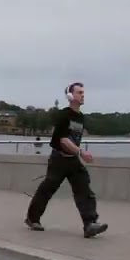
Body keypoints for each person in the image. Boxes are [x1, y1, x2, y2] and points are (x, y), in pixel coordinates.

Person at [24, 83, 108, 238]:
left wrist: (77, 153)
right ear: (70, 96)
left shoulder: (80, 117)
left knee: (84, 189)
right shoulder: (64, 115)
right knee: (47, 189)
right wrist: (81, 152)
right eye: (79, 92)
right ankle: (32, 219)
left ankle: (90, 224)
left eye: (83, 92)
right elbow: (63, 140)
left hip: (73, 160)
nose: (83, 95)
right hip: (59, 159)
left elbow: (74, 139)